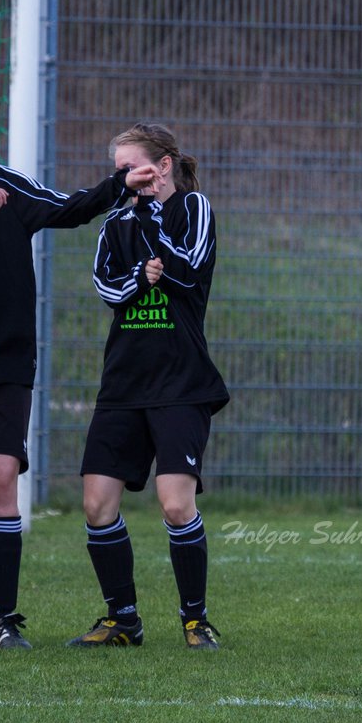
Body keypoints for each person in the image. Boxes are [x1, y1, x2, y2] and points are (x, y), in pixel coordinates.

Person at [0, 105, 150, 649]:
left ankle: (0, 617)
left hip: (3, 367)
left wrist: (118, 184)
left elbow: (69, 209)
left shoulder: (4, 187)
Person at [67, 122, 229, 650]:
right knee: (96, 504)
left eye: (130, 169)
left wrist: (152, 221)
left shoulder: (194, 208)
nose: (123, 179)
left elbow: (188, 270)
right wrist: (141, 274)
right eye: (118, 172)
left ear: (160, 166)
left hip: (181, 382)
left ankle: (195, 619)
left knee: (176, 505)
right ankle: (123, 619)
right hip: (123, 383)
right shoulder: (116, 221)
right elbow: (107, 288)